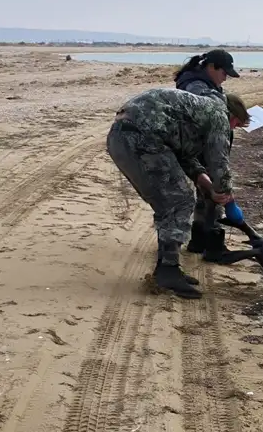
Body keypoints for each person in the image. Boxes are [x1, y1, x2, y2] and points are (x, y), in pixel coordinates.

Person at [106, 87, 249, 299]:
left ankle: (168, 267)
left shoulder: (198, 112)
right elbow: (219, 162)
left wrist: (206, 184)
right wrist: (225, 193)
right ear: (233, 115)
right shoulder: (218, 113)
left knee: (169, 202)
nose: (232, 130)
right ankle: (167, 271)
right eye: (236, 125)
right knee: (179, 201)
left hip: (121, 137)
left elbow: (183, 155)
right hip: (141, 137)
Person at [173, 49, 248, 264]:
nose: (225, 78)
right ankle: (212, 245)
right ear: (212, 67)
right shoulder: (196, 86)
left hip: (198, 143)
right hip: (199, 145)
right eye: (225, 73)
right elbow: (208, 113)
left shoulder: (203, 83)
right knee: (213, 192)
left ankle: (198, 240)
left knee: (205, 194)